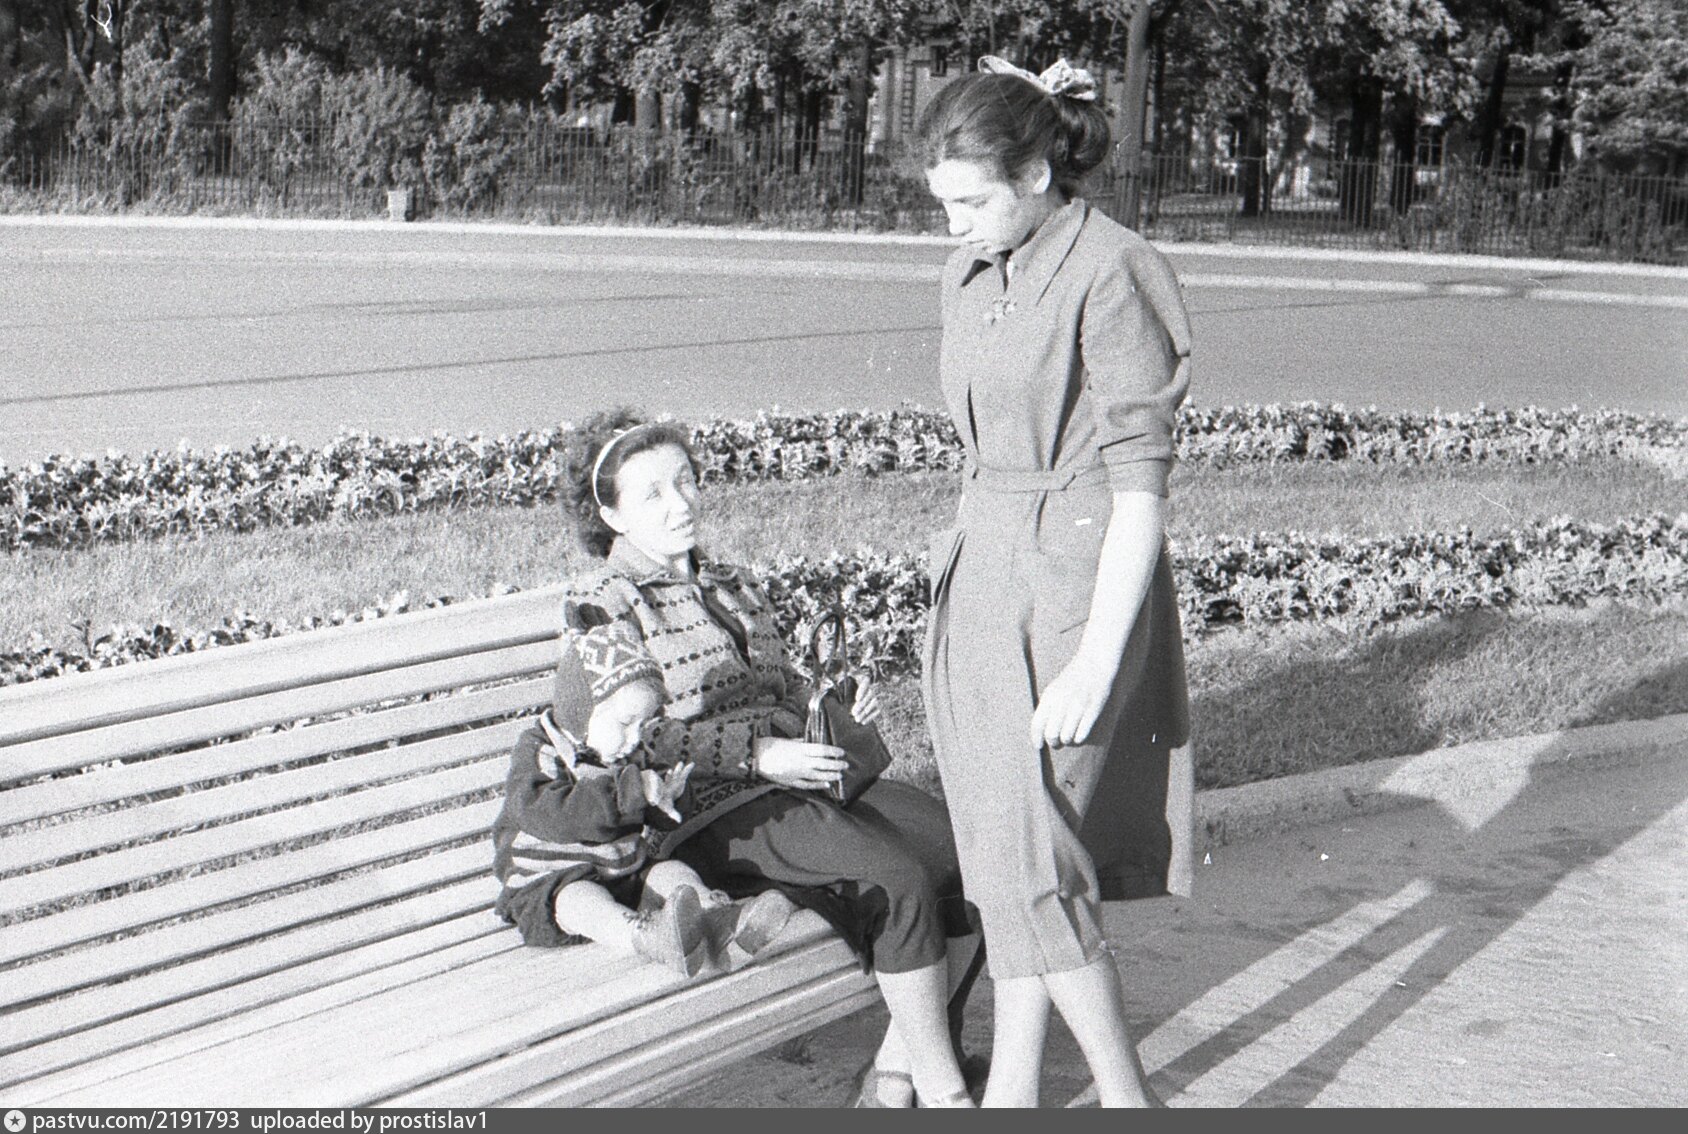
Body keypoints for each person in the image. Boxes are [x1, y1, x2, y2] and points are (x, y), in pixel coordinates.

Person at [555, 409, 983, 1108]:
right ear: (609, 514)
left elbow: (781, 687)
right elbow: (631, 738)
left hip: (797, 779)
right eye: (652, 493)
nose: (681, 503)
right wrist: (758, 755)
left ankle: (895, 1072)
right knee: (897, 876)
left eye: (686, 481)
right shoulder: (601, 605)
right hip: (702, 807)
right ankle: (943, 1092)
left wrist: (833, 701)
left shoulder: (734, 582)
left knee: (967, 854)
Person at [914, 55, 1197, 1108]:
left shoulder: (1115, 268)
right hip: (981, 568)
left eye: (972, 203)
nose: (955, 227)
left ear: (1036, 173)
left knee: (1034, 858)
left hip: (1074, 583)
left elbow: (1140, 493)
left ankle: (1129, 1104)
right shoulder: (971, 268)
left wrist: (1095, 660)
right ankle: (1012, 1093)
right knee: (1003, 855)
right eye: (943, 206)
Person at [492, 639, 798, 976]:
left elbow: (648, 811)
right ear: (581, 711)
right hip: (547, 883)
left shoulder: (626, 750)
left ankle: (721, 920)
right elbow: (546, 814)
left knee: (671, 871)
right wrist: (629, 793)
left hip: (622, 870)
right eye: (626, 723)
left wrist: (669, 800)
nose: (636, 737)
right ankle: (648, 937)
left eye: (644, 724)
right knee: (580, 899)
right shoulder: (541, 752)